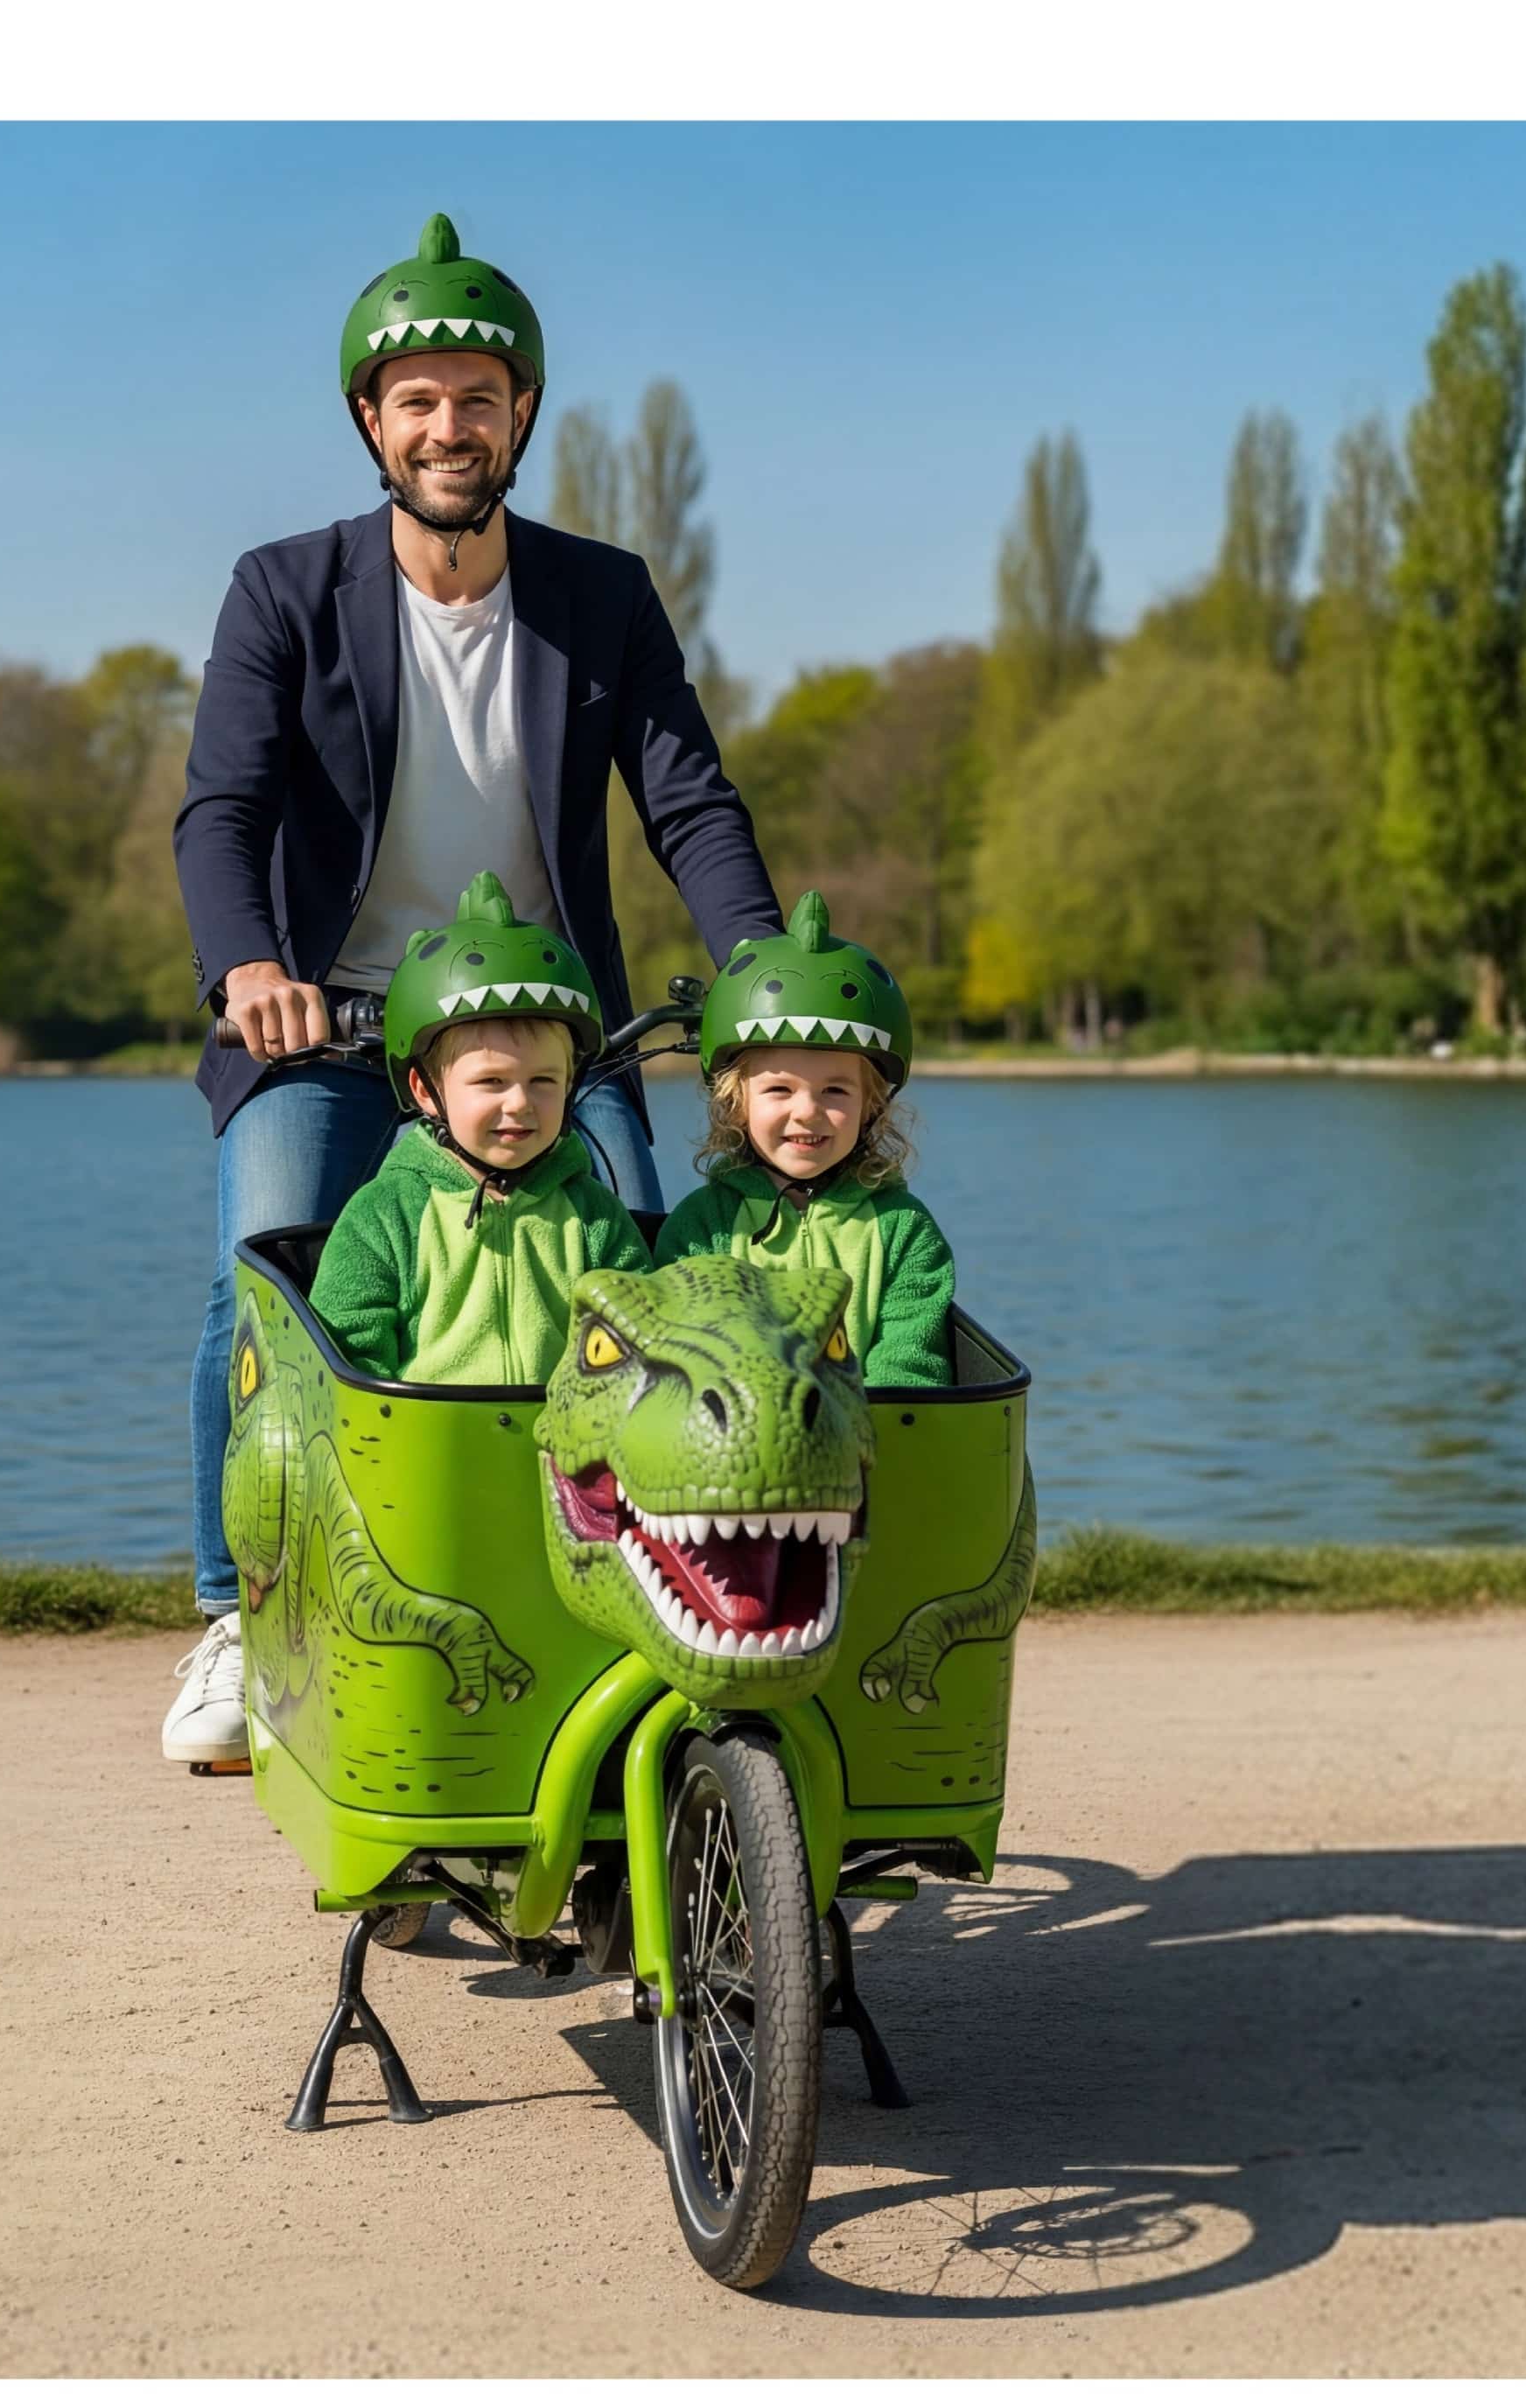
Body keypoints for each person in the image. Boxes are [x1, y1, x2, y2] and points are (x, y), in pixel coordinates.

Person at [165, 214, 781, 1768]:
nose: (451, 426)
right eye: (418, 399)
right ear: (373, 424)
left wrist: (760, 964)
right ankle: (240, 1609)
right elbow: (219, 812)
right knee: (274, 1276)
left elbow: (688, 803)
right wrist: (249, 967)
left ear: (523, 416)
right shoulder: (283, 593)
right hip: (335, 1022)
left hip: (546, 1037)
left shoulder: (602, 598)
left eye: (480, 396)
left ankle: (656, 1575)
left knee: (651, 1282)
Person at [300, 879, 651, 1387]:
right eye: (491, 1081)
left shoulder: (594, 1216)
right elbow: (350, 1352)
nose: (520, 1103)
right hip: (424, 1453)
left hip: (559, 1454)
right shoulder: (384, 1215)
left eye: (544, 1081)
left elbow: (638, 1341)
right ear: (425, 1090)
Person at [656, 923, 962, 1390]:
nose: (808, 1112)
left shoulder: (905, 1230)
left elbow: (910, 1365)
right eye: (780, 1089)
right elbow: (680, 1361)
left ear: (872, 1102)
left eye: (835, 1090)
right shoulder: (702, 1227)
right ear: (737, 1103)